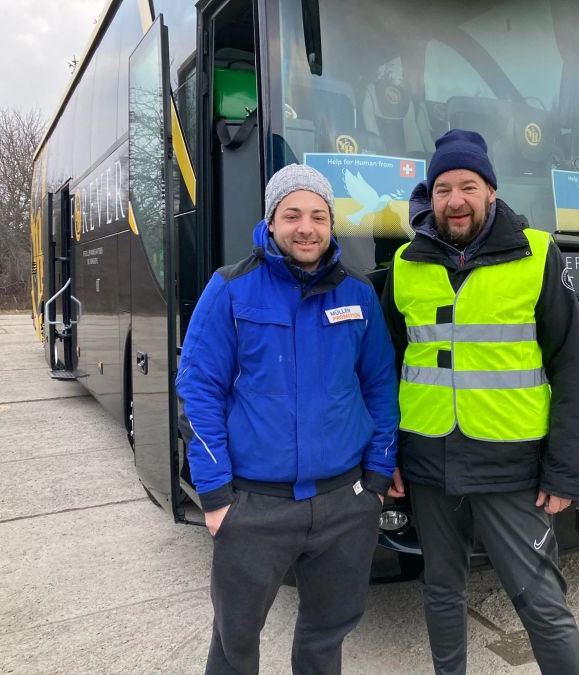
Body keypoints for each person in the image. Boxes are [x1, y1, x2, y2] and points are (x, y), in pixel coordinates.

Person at [381, 129, 579, 674]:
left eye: (468, 186)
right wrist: (387, 457)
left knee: (541, 603)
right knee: (441, 591)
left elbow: (571, 367)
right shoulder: (406, 263)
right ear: (431, 194)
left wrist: (565, 470)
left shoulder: (538, 254)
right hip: (426, 461)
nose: (455, 200)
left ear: (491, 191)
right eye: (444, 187)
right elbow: (384, 368)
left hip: (511, 467)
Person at [176, 164, 399, 675]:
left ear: (331, 223)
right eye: (292, 214)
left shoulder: (358, 296)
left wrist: (378, 479)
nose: (307, 227)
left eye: (318, 215)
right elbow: (199, 389)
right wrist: (215, 498)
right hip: (255, 507)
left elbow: (381, 388)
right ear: (271, 221)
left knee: (327, 636)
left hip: (345, 504)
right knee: (235, 644)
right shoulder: (231, 289)